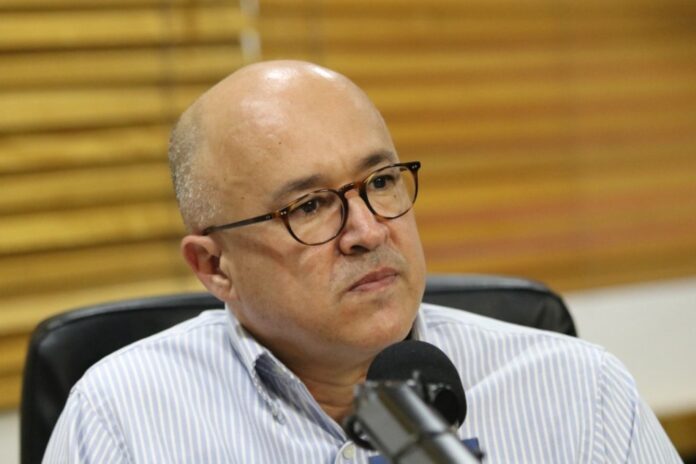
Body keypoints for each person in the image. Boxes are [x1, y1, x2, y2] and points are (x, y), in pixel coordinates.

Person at [44, 60, 681, 463]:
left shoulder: (581, 392)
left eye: (380, 181)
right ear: (214, 267)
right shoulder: (123, 419)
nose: (369, 231)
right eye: (310, 205)